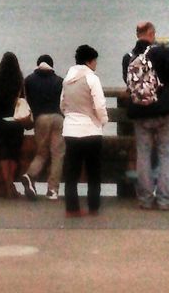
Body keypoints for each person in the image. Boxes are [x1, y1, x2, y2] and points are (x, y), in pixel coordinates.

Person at [122, 20, 169, 210]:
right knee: (166, 154)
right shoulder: (162, 52)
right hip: (164, 111)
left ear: (137, 34)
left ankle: (146, 199)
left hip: (140, 112)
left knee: (143, 155)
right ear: (150, 33)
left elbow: (128, 81)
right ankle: (164, 199)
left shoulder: (129, 57)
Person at [60, 44, 108, 217]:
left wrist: (70, 117)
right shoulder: (92, 79)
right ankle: (93, 206)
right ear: (89, 61)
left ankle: (72, 208)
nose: (96, 64)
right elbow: (99, 105)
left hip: (71, 131)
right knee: (93, 171)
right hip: (91, 131)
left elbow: (62, 104)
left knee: (71, 172)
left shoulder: (67, 79)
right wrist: (103, 121)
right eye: (95, 60)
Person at [22, 53, 65, 200]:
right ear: (51, 66)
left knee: (42, 153)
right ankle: (52, 190)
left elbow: (24, 100)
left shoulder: (29, 80)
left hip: (40, 119)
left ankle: (30, 175)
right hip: (58, 118)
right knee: (57, 155)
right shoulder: (60, 81)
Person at [0, 51, 28, 199]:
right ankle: (11, 183)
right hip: (16, 122)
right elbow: (23, 100)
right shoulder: (19, 81)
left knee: (3, 153)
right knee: (13, 154)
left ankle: (8, 183)